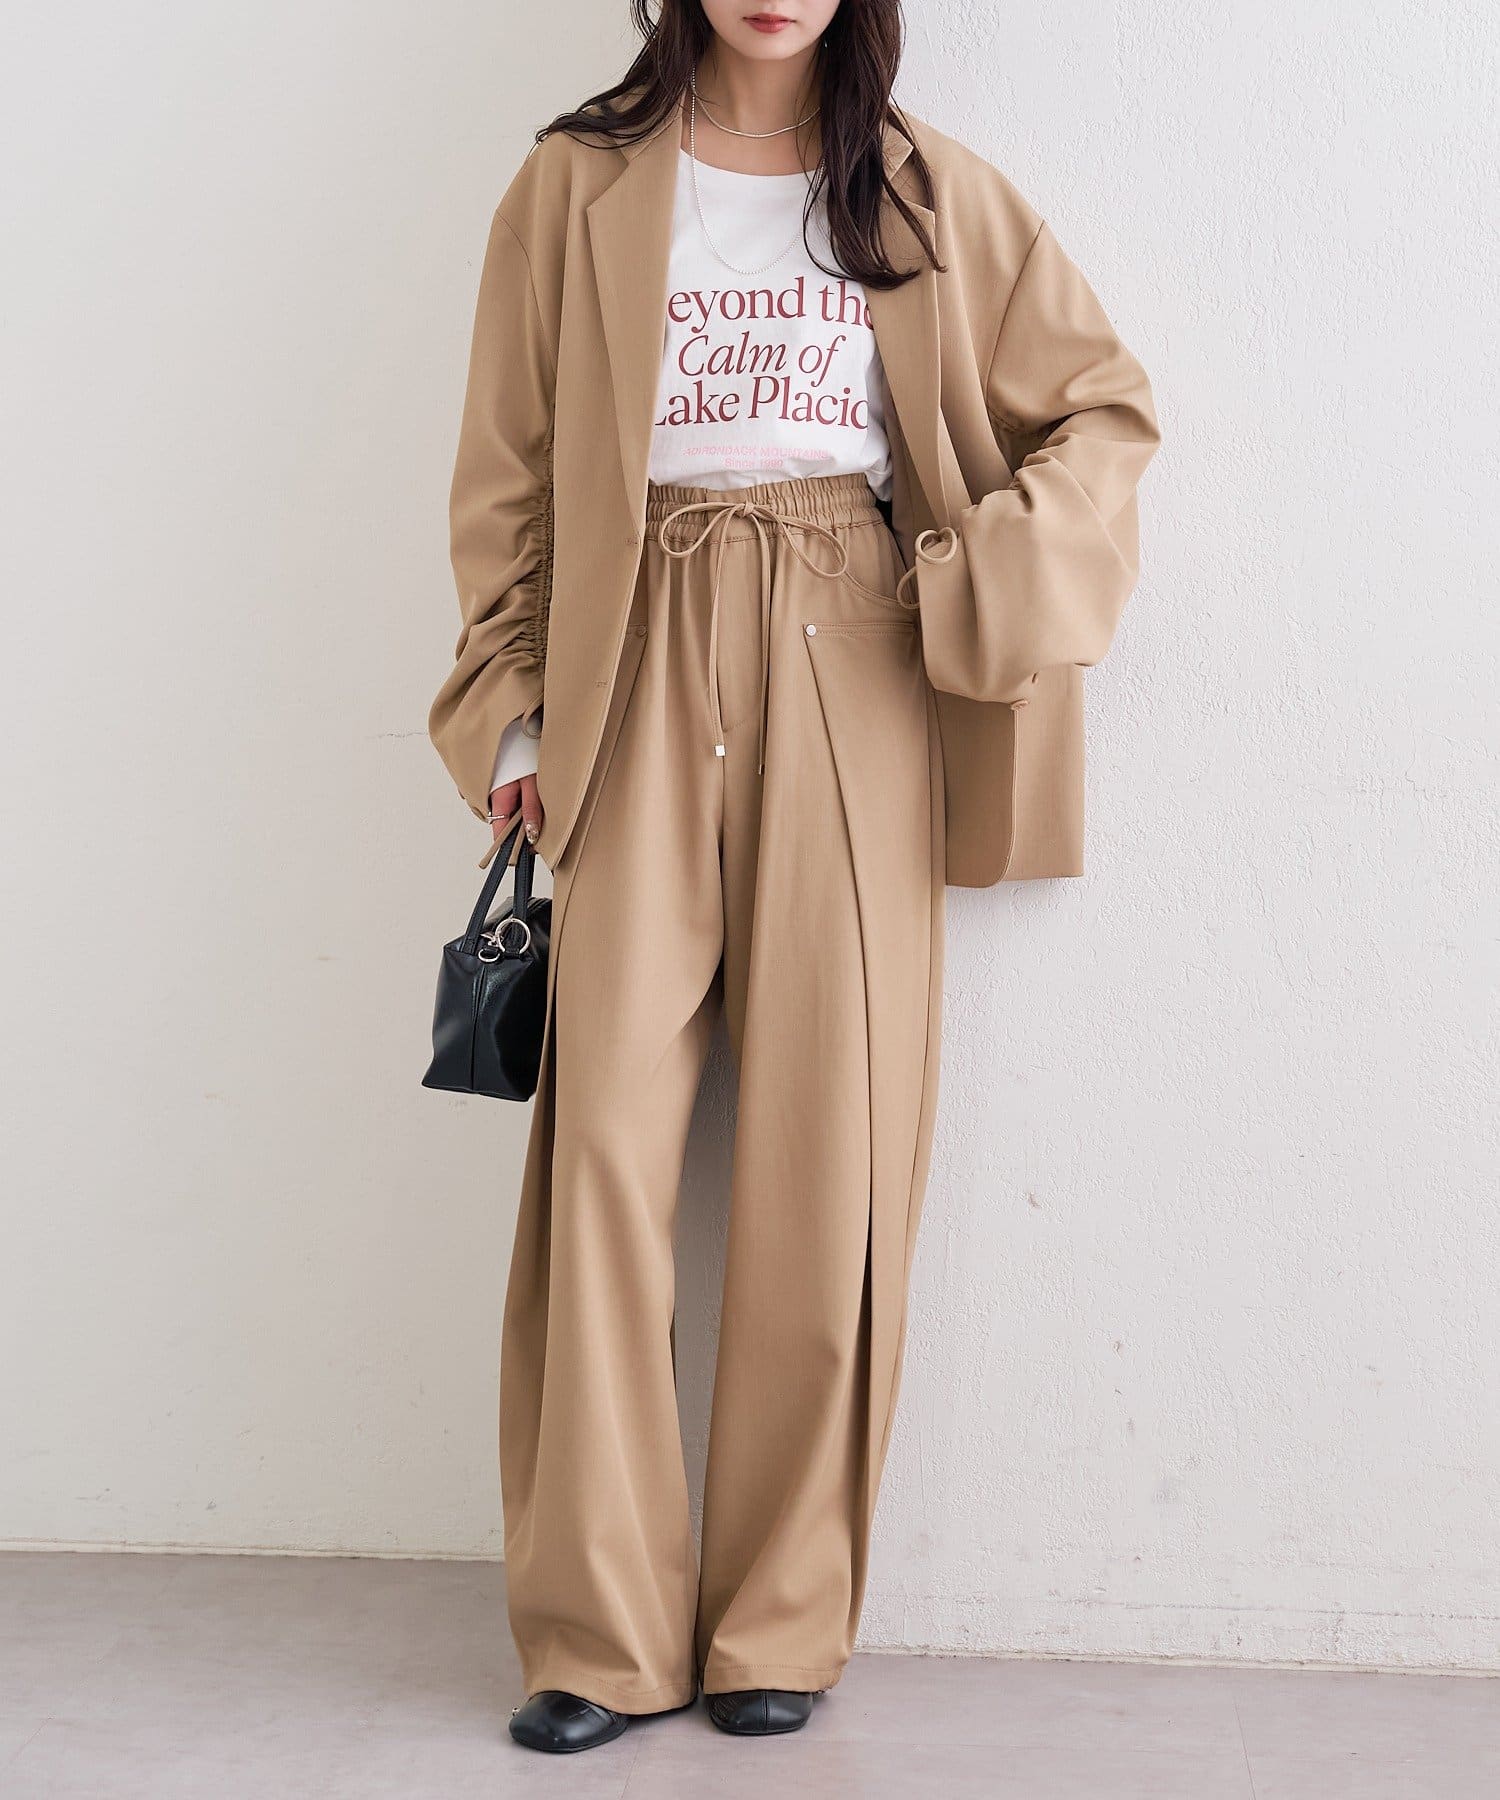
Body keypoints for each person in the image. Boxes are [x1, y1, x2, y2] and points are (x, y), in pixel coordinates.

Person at [428, 0, 1158, 1755]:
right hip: (634, 657)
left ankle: (780, 1618)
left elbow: (1104, 413)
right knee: (601, 1154)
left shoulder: (923, 192)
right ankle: (598, 1633)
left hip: (856, 646)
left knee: (832, 1157)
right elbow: (510, 474)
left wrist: (971, 579)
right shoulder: (573, 186)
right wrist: (516, 716)